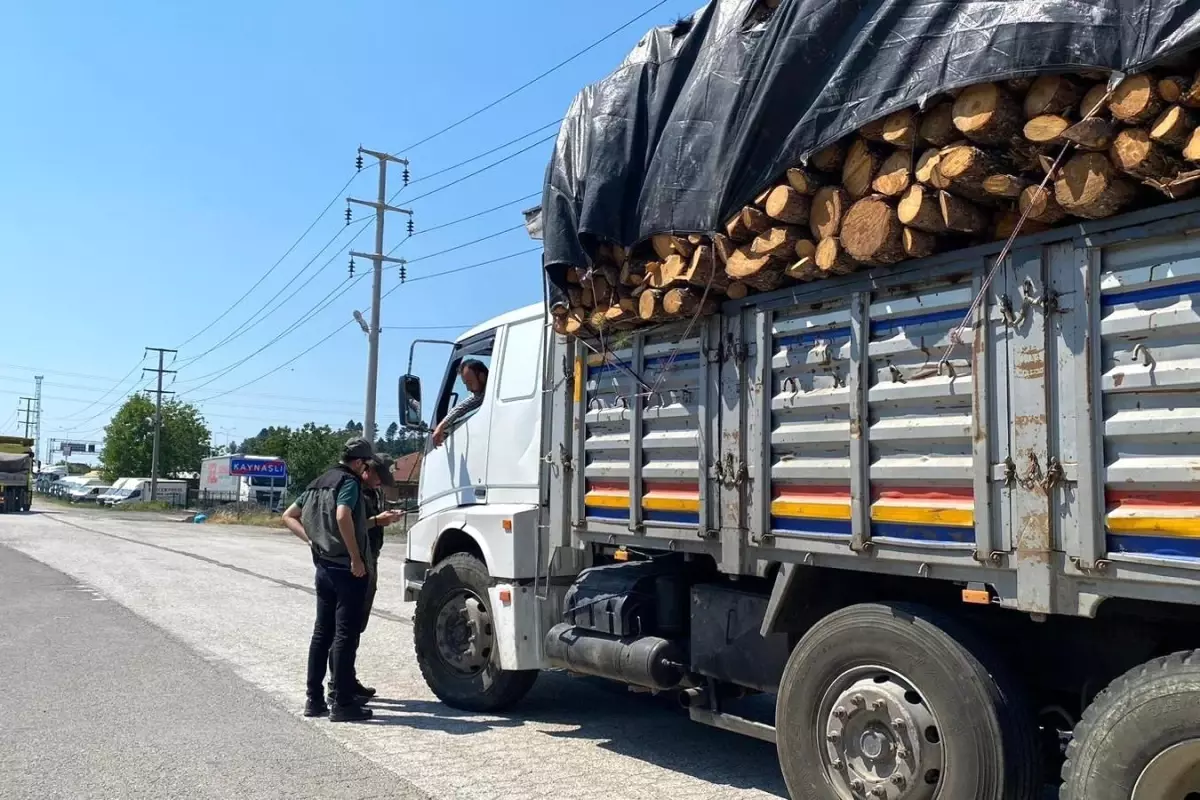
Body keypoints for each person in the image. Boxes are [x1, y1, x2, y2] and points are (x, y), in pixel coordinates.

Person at [281, 437, 375, 722]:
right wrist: (356, 557)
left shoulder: (317, 482)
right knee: (345, 636)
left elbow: (288, 515)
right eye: (366, 464)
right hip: (347, 570)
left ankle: (314, 700)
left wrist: (312, 540)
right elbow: (343, 514)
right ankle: (344, 704)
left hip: (323, 568)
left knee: (322, 634)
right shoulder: (349, 482)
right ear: (359, 462)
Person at [432, 359, 488, 448]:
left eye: (470, 383)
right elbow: (461, 408)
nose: (468, 389)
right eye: (466, 384)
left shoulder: (489, 393)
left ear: (482, 376)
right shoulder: (480, 395)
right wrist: (441, 426)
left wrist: (441, 427)